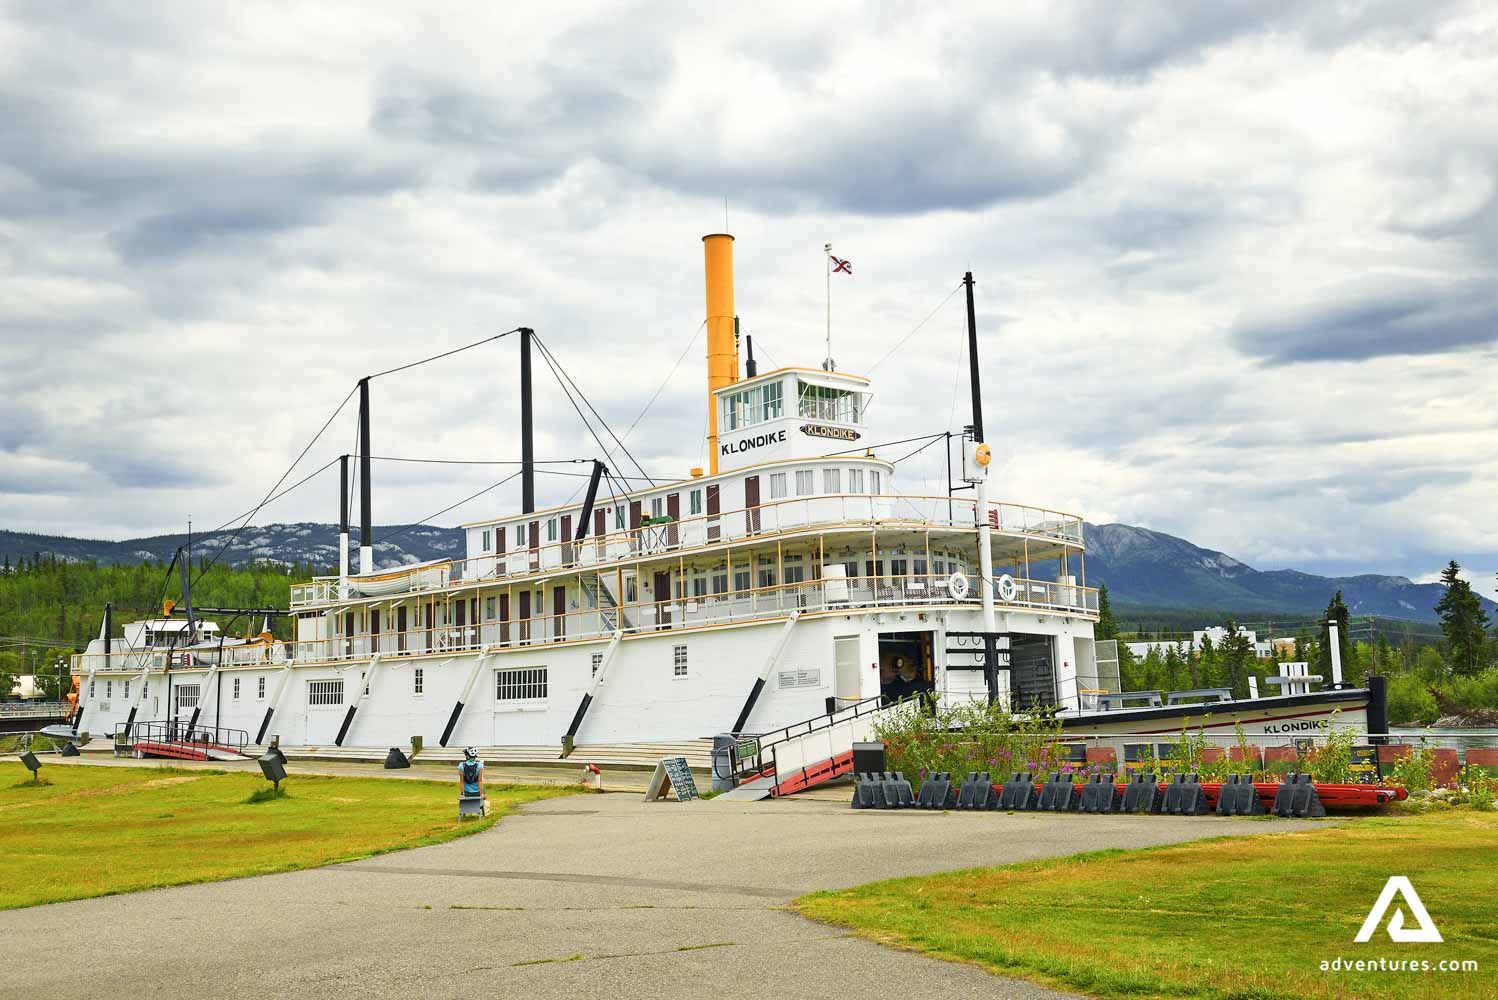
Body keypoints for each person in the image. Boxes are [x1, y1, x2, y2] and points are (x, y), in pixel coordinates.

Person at [459, 747, 488, 815]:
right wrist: (482, 794)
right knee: (484, 792)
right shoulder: (480, 765)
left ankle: (463, 812)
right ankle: (482, 811)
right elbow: (480, 780)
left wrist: (462, 794)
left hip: (467, 793)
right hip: (477, 792)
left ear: (467, 756)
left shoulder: (461, 765)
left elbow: (462, 781)